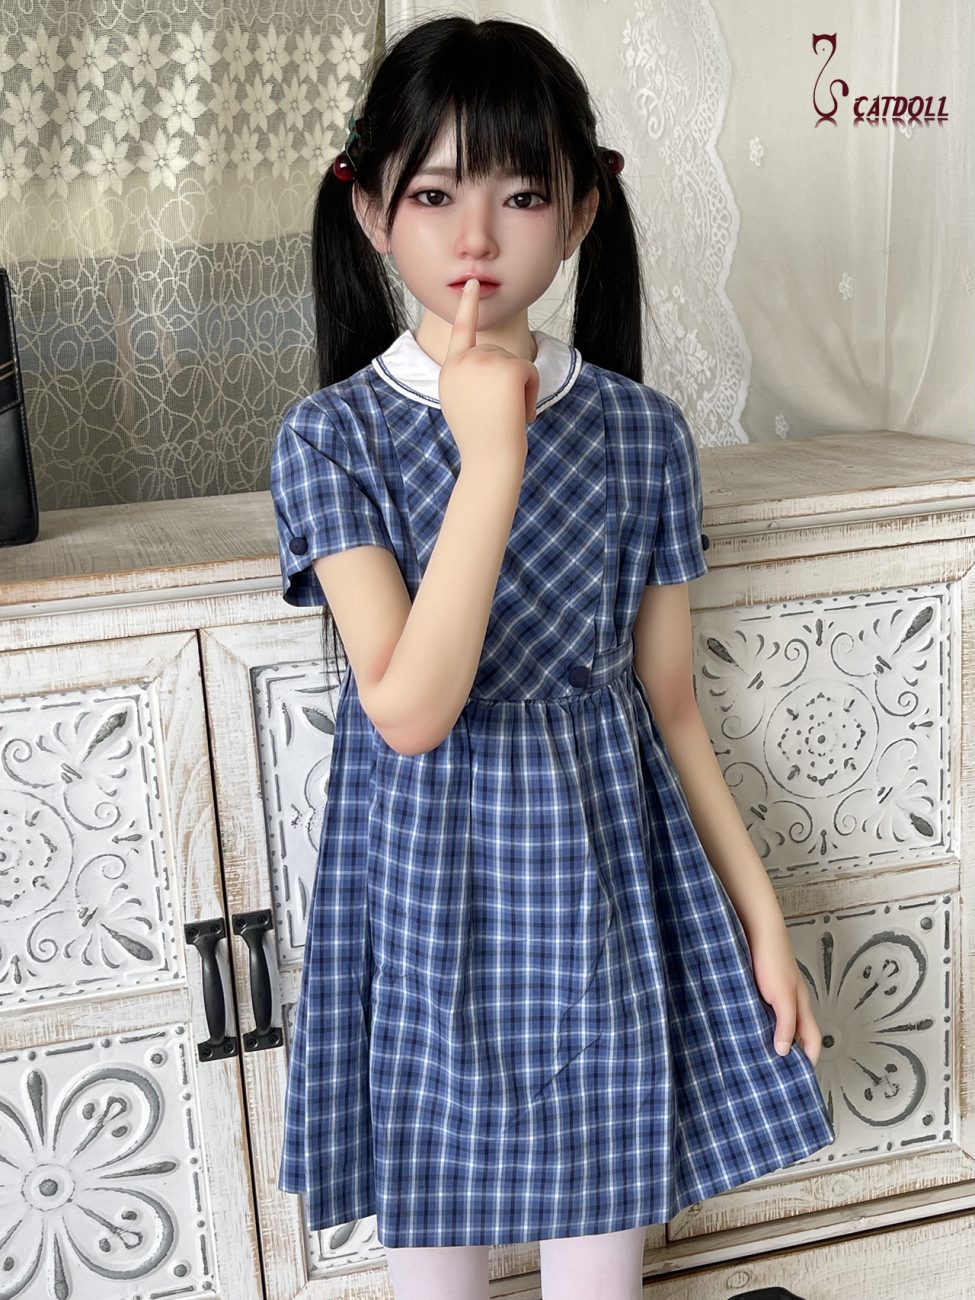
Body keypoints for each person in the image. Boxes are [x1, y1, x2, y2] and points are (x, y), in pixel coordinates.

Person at [268, 14, 835, 1300]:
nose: (475, 236)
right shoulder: (332, 438)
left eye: (522, 194)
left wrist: (761, 915)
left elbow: (672, 704)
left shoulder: (641, 432)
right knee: (435, 1266)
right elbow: (408, 708)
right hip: (416, 891)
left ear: (581, 213)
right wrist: (494, 454)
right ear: (370, 212)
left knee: (599, 1260)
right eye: (433, 194)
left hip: (599, 878)